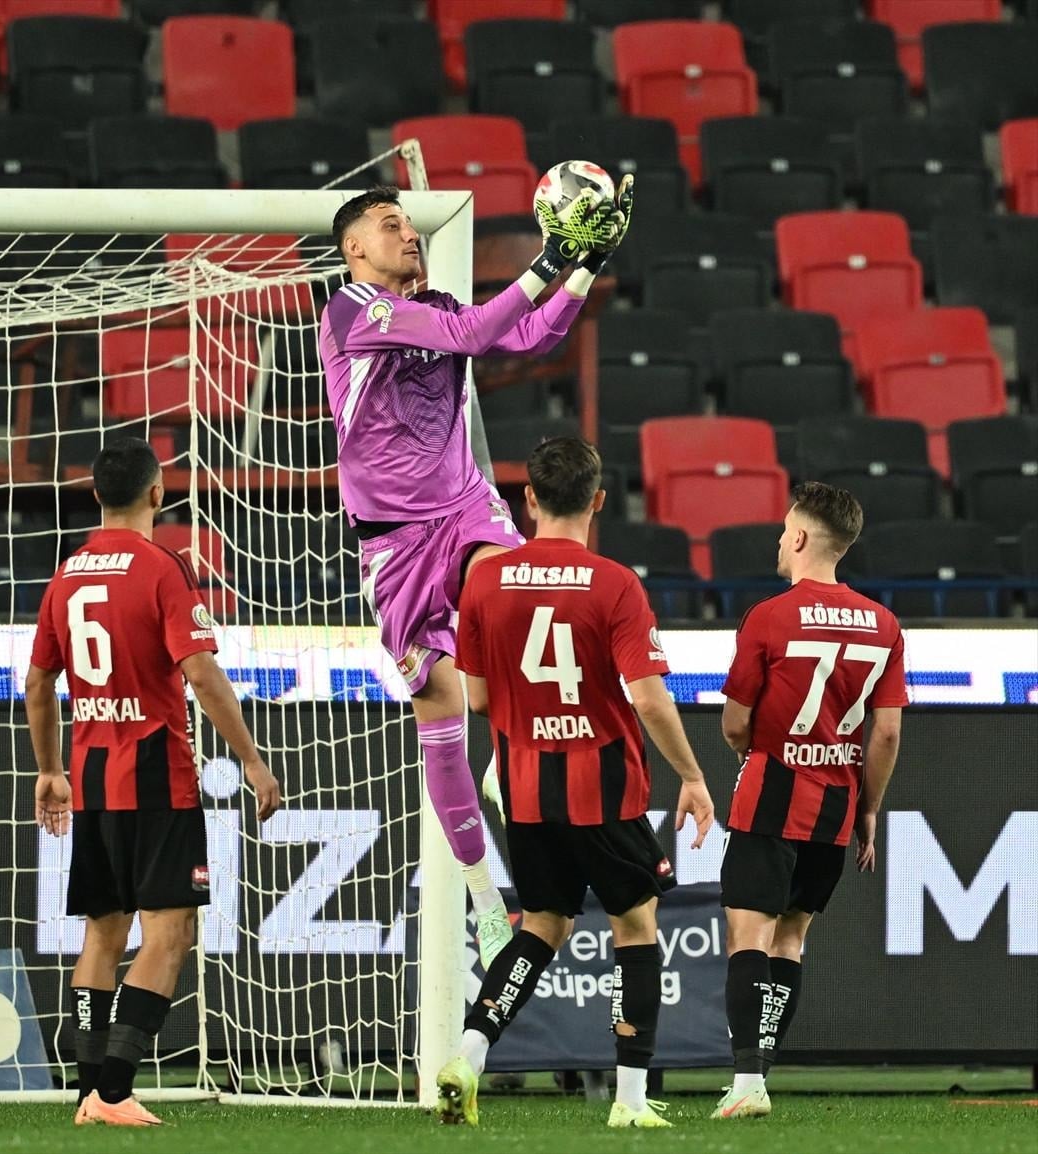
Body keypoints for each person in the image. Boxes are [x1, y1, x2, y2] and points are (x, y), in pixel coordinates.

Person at [319, 180, 633, 969]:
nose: (408, 234)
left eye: (410, 224)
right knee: (440, 706)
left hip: (463, 509)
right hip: (393, 543)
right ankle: (486, 902)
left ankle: (511, 760)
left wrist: (584, 267)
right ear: (354, 248)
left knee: (511, 594)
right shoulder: (352, 311)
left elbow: (526, 337)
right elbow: (477, 329)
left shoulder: (436, 307)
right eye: (390, 225)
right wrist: (549, 259)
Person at [432, 435, 716, 1129]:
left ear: (528, 499)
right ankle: (629, 1099)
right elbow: (649, 698)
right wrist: (692, 775)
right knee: (636, 926)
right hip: (605, 788)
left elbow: (476, 699)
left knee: (543, 925)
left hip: (526, 790)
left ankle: (469, 1053)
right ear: (598, 500)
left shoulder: (485, 582)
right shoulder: (615, 583)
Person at [25, 437, 280, 1127]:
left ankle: (87, 1094)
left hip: (93, 778)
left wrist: (50, 770)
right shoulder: (163, 567)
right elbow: (201, 673)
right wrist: (252, 760)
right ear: (158, 494)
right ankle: (113, 1092)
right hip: (157, 776)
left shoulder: (67, 573)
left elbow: (39, 683)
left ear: (96, 495)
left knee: (102, 936)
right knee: (170, 933)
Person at [712, 482, 908, 1120]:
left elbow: (735, 723)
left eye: (782, 529)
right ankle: (759, 1075)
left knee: (748, 935)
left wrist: (753, 750)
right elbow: (886, 732)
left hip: (772, 793)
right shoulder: (884, 625)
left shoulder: (768, 616)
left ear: (798, 537)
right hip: (836, 803)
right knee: (791, 939)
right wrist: (868, 809)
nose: (779, 539)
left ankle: (746, 1082)